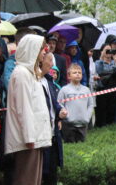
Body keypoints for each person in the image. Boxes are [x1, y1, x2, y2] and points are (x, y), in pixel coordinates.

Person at [5, 34, 52, 184]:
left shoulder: (30, 74)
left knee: (34, 180)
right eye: (41, 49)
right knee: (26, 180)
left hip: (34, 138)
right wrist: (29, 137)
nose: (44, 51)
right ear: (31, 50)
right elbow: (23, 108)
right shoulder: (21, 74)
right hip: (28, 140)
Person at [39, 48, 67, 185]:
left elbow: (54, 103)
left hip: (53, 135)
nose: (52, 63)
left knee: (52, 174)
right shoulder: (35, 81)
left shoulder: (49, 81)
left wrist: (60, 111)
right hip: (41, 136)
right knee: (40, 174)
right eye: (49, 59)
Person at [58, 64, 94, 142]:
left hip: (83, 124)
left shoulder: (86, 90)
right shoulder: (64, 90)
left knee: (82, 146)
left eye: (79, 72)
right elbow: (60, 104)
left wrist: (87, 117)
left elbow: (91, 104)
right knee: (70, 145)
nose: (77, 74)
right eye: (74, 72)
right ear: (69, 76)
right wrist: (65, 114)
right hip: (68, 124)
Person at [94, 43, 116, 127]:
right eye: (106, 50)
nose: (108, 53)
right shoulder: (98, 62)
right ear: (102, 51)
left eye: (110, 50)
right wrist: (102, 57)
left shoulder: (115, 62)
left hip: (113, 90)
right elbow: (99, 71)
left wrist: (115, 62)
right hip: (102, 89)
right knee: (101, 110)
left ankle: (110, 126)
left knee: (111, 110)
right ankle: (100, 126)